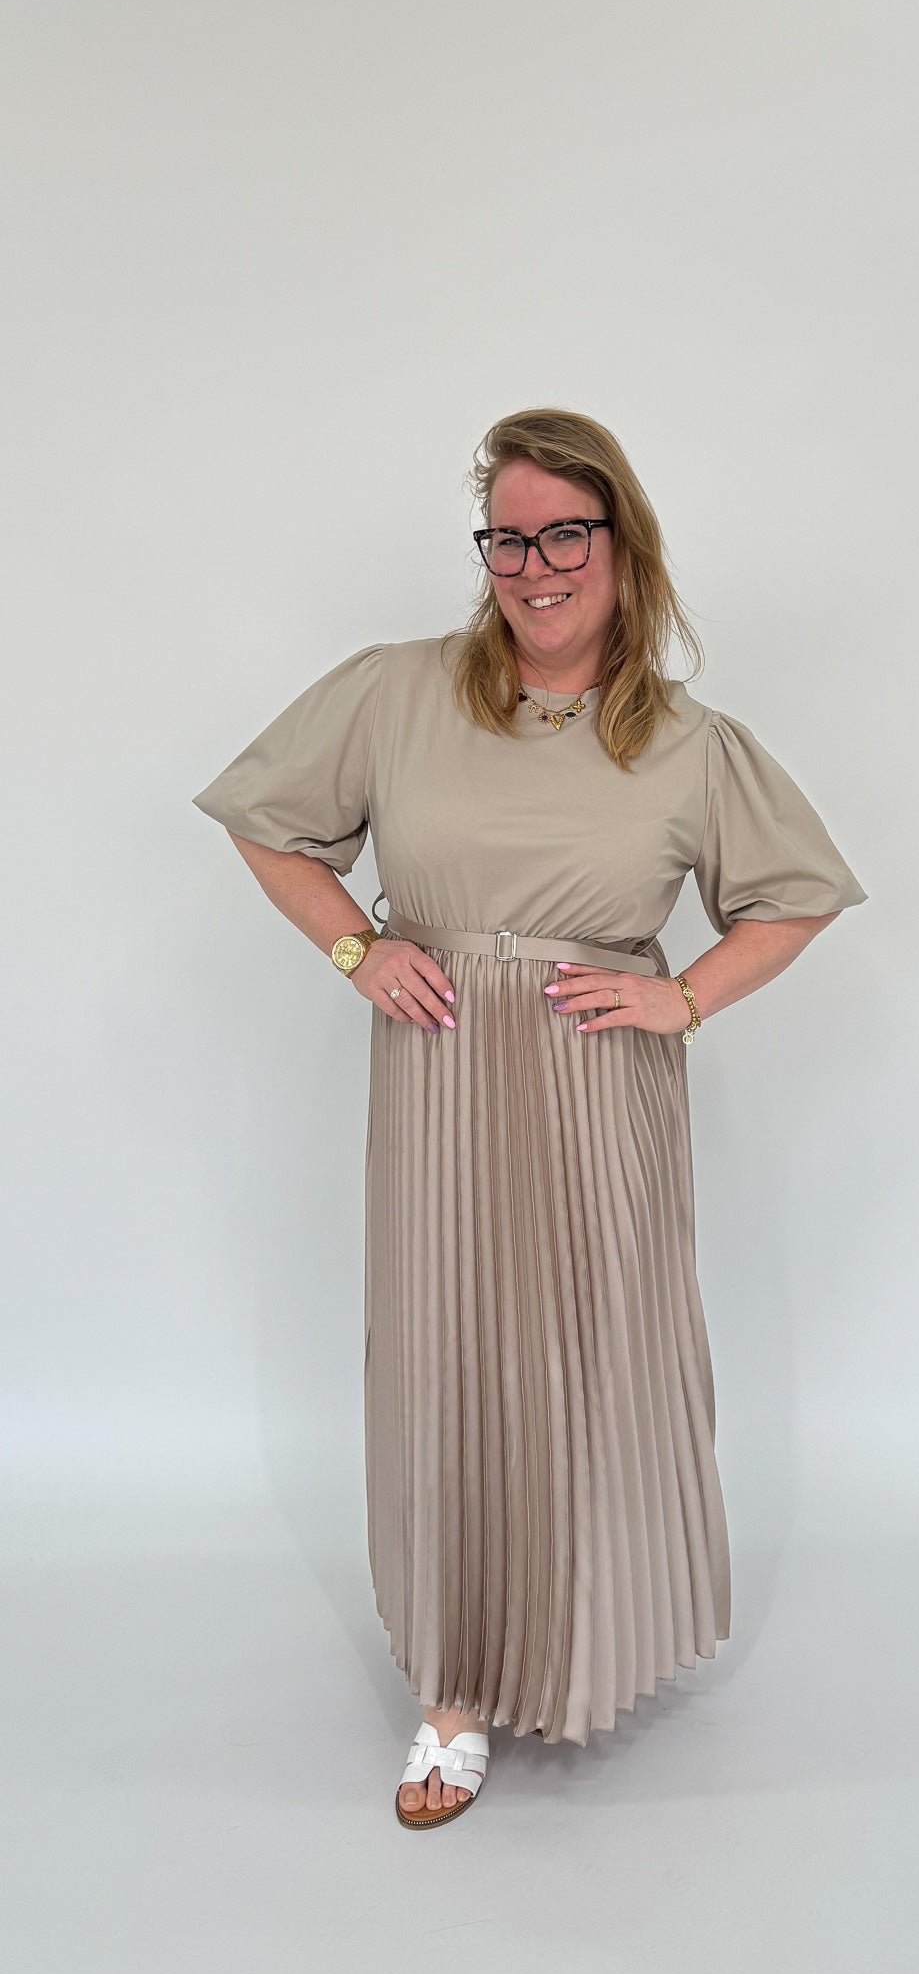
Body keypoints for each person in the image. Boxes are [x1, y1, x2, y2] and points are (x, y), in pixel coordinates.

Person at [191, 405, 868, 1830]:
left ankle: (592, 1640)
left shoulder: (686, 743)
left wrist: (681, 1000)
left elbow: (794, 896)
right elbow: (266, 821)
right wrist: (356, 948)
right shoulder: (397, 691)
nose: (535, 566)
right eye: (508, 538)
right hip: (439, 1066)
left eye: (566, 533)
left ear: (624, 546)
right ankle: (455, 1687)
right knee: (446, 1356)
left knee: (593, 1355)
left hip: (597, 1079)